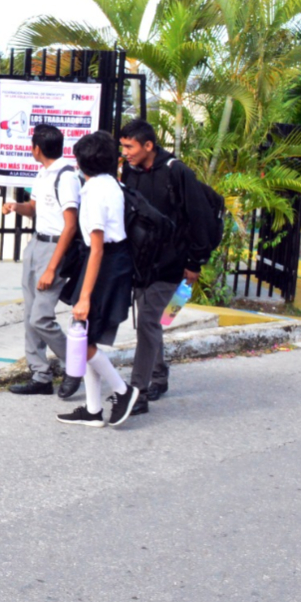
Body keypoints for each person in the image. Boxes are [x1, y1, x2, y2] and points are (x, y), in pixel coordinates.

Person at [119, 118, 217, 414]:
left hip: (177, 265)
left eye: (130, 146)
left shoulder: (177, 172)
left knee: (152, 320)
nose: (125, 152)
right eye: (122, 146)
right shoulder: (130, 170)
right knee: (153, 322)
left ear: (148, 145)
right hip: (144, 263)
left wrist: (195, 263)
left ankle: (139, 391)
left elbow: (201, 219)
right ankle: (158, 375)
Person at [57, 130, 139, 427]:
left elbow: (97, 247)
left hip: (104, 265)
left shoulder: (93, 193)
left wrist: (85, 297)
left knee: (82, 336)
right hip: (113, 262)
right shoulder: (112, 185)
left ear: (80, 163)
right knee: (86, 336)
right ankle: (93, 410)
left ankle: (122, 390)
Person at [2, 124, 81, 397]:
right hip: (36, 244)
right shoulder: (43, 173)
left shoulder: (66, 176)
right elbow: (33, 209)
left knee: (41, 318)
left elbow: (70, 226)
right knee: (30, 315)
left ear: (37, 148)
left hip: (54, 249)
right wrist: (16, 206)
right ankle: (40, 375)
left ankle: (76, 364)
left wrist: (51, 268)